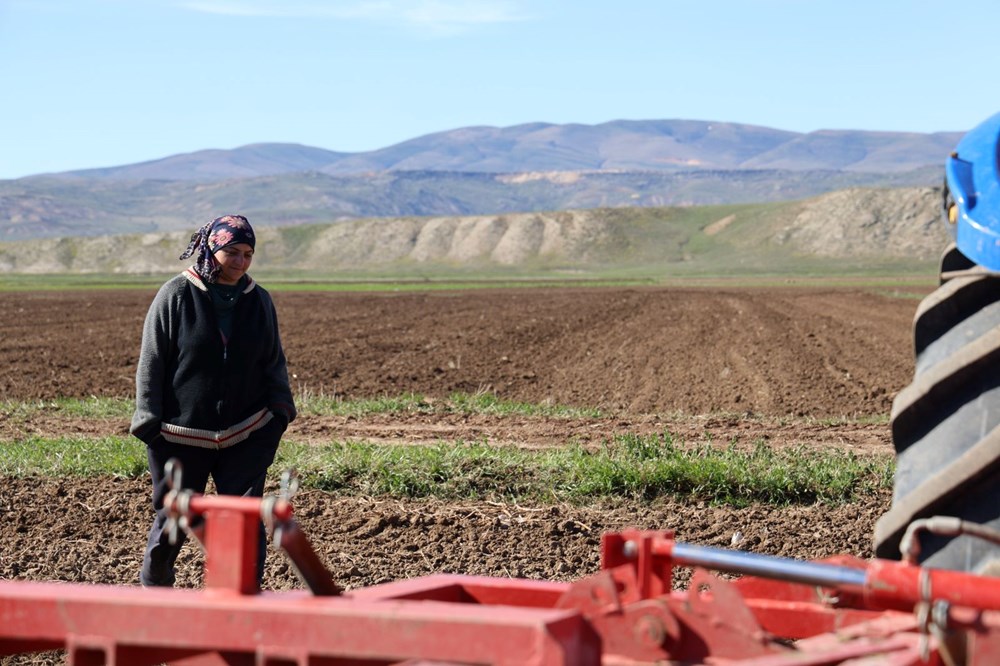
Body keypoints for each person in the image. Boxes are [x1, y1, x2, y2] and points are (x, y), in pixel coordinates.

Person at [130, 214, 296, 588]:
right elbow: (152, 360)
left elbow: (274, 361)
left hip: (246, 432)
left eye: (248, 254)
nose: (240, 262)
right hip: (178, 435)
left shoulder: (258, 301)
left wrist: (280, 412)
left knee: (245, 520)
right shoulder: (175, 295)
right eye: (232, 252)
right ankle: (155, 599)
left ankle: (243, 599)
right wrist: (148, 421)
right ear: (211, 248)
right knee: (171, 520)